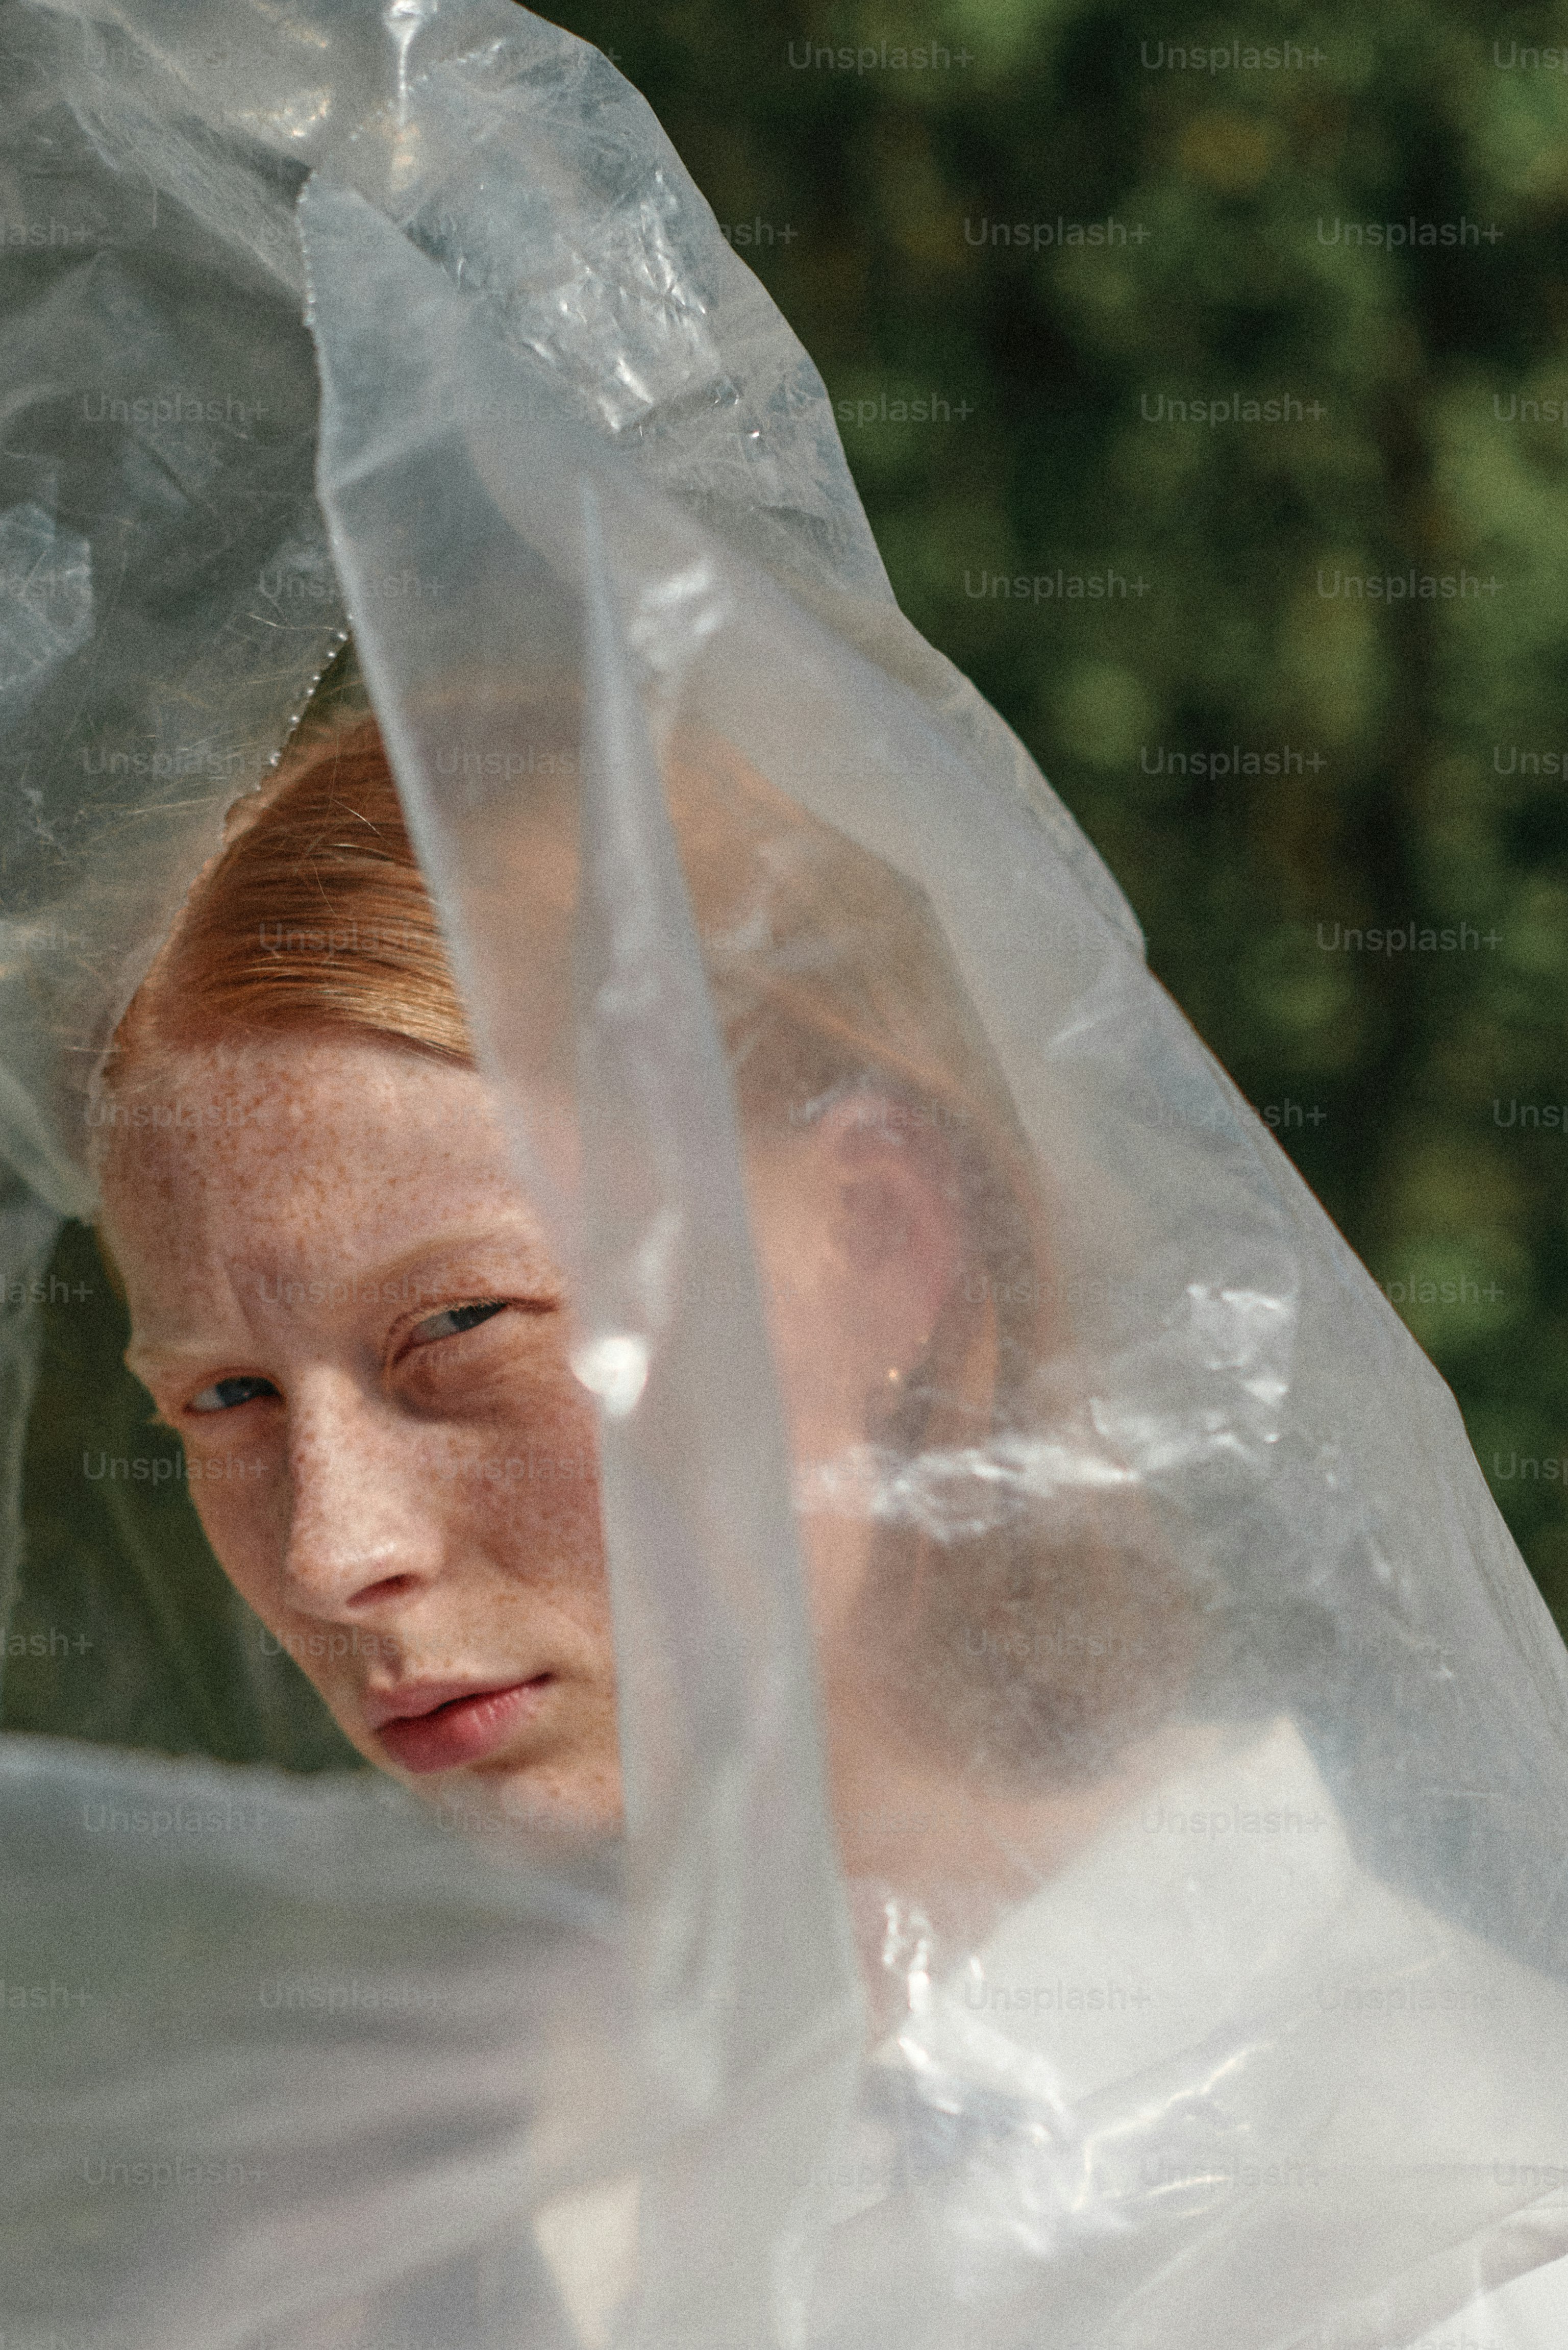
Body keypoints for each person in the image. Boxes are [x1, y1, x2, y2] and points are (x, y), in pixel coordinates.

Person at [88, 708, 1568, 2350]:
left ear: (872, 1240)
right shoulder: (399, 2170)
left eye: (457, 1327)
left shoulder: (1460, 2232)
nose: (323, 1554)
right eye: (225, 1400)